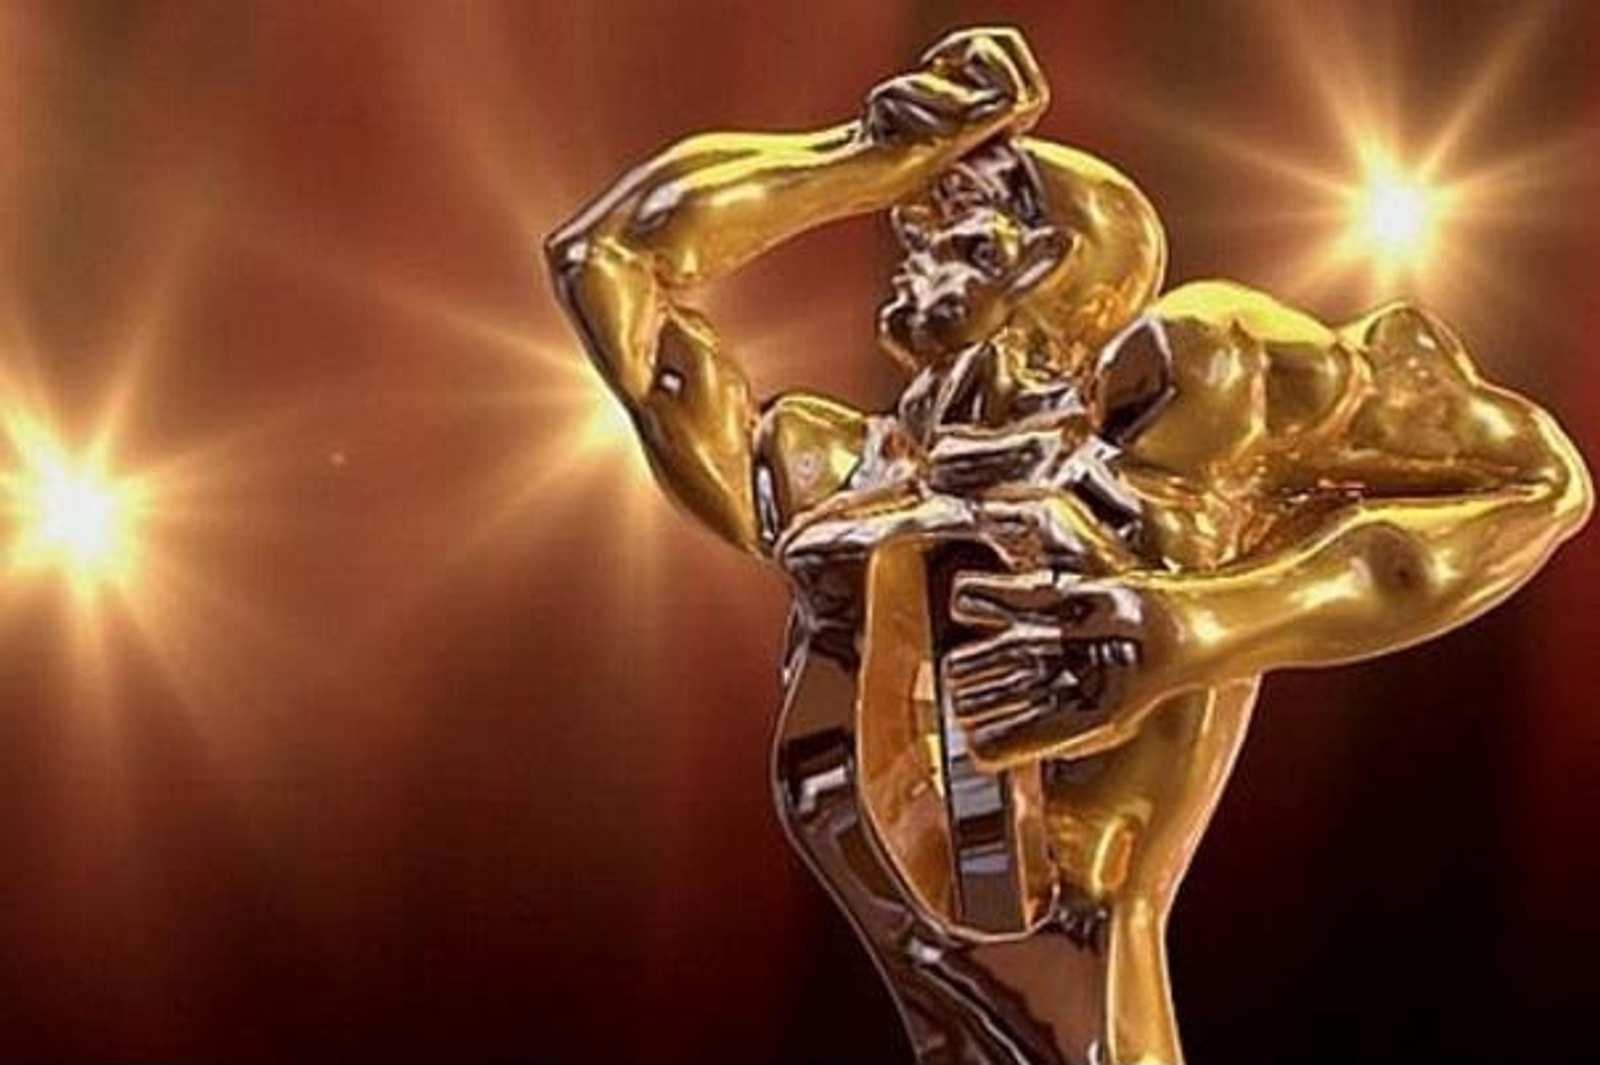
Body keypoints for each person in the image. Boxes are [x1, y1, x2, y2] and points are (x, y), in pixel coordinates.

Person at [546, 27, 1591, 1065]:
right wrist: (865, 154)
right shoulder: (837, 478)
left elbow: (1534, 485)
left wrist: (1198, 624)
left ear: (1041, 255)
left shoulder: (1193, 395)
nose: (905, 223)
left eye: (950, 213)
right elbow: (608, 260)